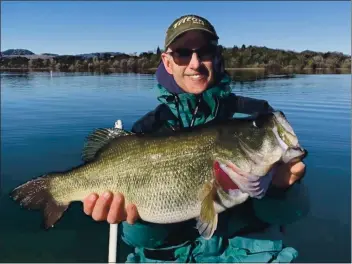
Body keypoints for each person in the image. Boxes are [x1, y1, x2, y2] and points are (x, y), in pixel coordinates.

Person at [82, 14, 307, 262]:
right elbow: (142, 241)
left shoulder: (255, 116)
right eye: (182, 53)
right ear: (167, 62)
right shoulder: (147, 129)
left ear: (217, 56)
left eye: (206, 51)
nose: (195, 63)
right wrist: (134, 220)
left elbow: (292, 214)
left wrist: (280, 191)